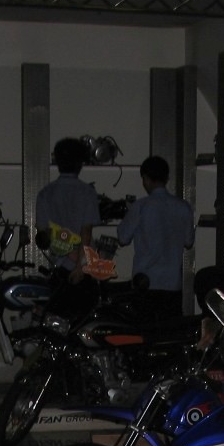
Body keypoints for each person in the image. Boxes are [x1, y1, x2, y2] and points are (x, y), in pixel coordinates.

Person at [117, 155, 195, 317]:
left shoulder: (140, 206)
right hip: (172, 285)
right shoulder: (183, 207)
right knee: (170, 329)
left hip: (145, 283)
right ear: (166, 178)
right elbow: (189, 242)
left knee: (144, 328)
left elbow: (123, 238)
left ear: (146, 179)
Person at [35, 136, 101, 315]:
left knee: (57, 321)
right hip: (84, 268)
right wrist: (80, 265)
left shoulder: (45, 194)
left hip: (59, 267)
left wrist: (67, 252)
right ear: (80, 163)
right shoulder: (87, 192)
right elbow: (86, 232)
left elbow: (44, 235)